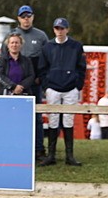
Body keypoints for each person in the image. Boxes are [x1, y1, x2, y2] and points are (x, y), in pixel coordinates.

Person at [37, 17, 86, 167]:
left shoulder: (76, 46)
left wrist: (77, 85)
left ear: (67, 29)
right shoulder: (47, 47)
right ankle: (51, 155)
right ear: (54, 29)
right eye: (57, 28)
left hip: (70, 88)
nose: (60, 31)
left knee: (68, 120)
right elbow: (42, 68)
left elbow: (81, 67)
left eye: (62, 28)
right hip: (53, 88)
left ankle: (69, 156)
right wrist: (47, 86)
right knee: (53, 121)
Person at [11, 5, 51, 158]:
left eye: (28, 16)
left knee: (37, 116)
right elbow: (3, 58)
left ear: (33, 17)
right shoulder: (12, 35)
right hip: (15, 83)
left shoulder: (41, 36)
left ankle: (39, 149)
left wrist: (42, 77)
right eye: (23, 16)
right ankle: (17, 148)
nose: (26, 19)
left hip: (34, 82)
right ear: (18, 18)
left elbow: (47, 59)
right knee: (15, 116)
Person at [0, 31, 35, 96]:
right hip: (5, 93)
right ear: (8, 45)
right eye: (12, 43)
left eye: (17, 43)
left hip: (23, 92)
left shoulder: (27, 60)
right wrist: (13, 86)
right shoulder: (2, 60)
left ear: (21, 45)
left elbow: (31, 76)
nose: (14, 45)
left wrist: (20, 87)